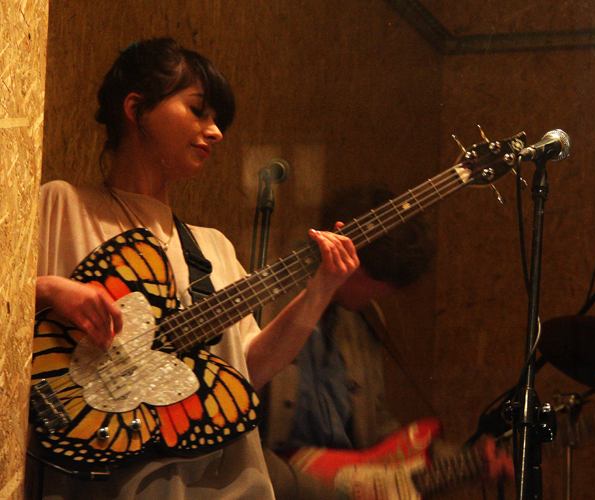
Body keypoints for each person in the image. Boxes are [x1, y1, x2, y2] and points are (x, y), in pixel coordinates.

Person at [32, 37, 359, 500]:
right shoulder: (61, 206)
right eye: (198, 111)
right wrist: (48, 289)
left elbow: (249, 369)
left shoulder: (212, 247)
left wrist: (321, 289)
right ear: (136, 108)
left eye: (217, 120)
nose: (216, 132)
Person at [261, 186, 513, 500]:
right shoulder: (264, 308)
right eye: (382, 284)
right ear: (355, 264)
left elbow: (374, 429)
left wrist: (461, 461)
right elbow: (237, 441)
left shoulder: (363, 319)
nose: (382, 296)